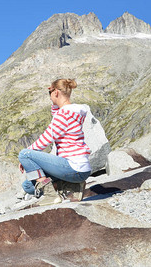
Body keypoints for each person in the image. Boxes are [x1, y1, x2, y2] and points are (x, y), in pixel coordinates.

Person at [18, 78, 91, 206]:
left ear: (56, 92)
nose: (50, 97)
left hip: (73, 166)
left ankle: (51, 196)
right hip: (80, 168)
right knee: (29, 186)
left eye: (50, 93)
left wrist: (26, 156)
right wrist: (54, 99)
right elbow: (55, 113)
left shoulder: (64, 114)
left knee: (24, 154)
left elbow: (45, 140)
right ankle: (73, 186)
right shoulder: (71, 111)